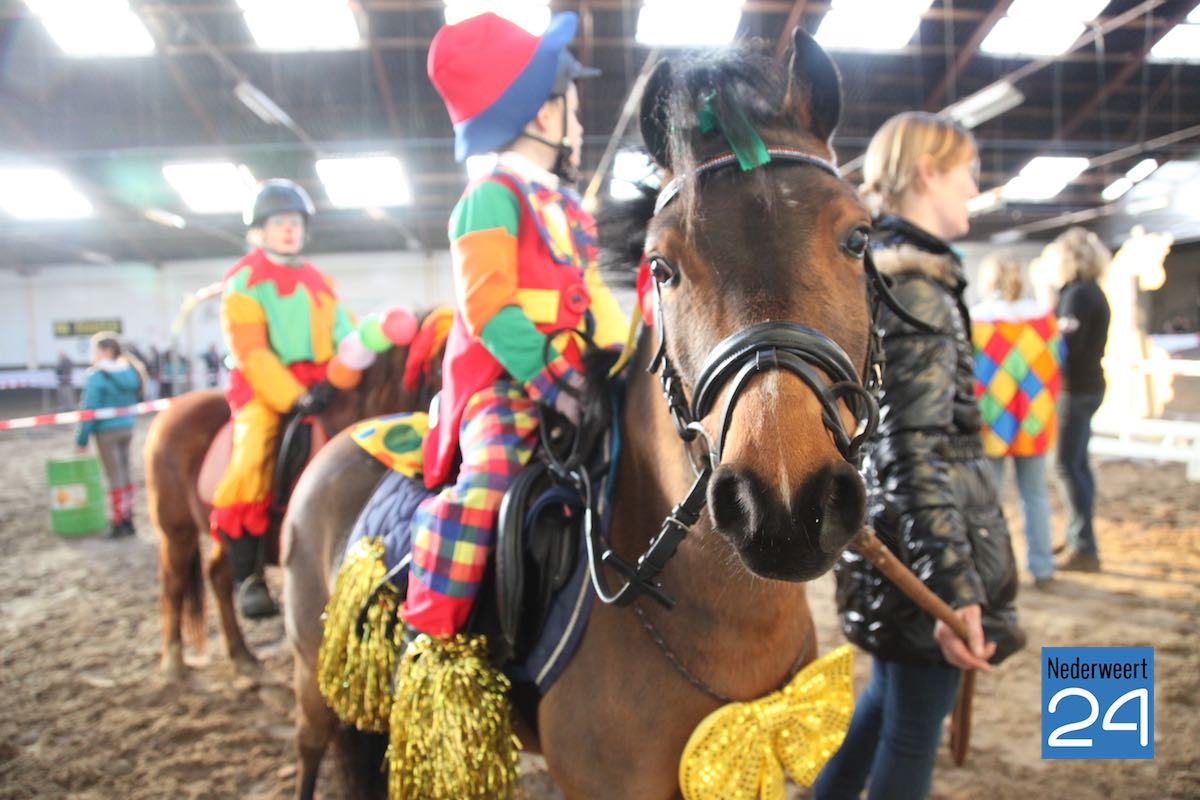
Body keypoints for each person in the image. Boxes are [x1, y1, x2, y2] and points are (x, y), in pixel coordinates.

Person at [814, 112, 1023, 800]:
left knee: (886, 706)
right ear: (928, 173)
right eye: (967, 171)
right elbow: (912, 453)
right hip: (922, 552)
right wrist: (954, 591)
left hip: (898, 542)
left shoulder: (895, 277)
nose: (975, 187)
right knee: (910, 733)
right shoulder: (917, 291)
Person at [406, 10, 625, 642]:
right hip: (504, 382)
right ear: (544, 118)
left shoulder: (571, 209)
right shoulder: (488, 198)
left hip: (575, 374)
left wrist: (622, 359)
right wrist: (559, 382)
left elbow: (593, 297)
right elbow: (490, 310)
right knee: (490, 480)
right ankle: (431, 634)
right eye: (573, 113)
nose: (579, 127)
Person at [211, 179, 355, 618]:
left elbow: (346, 335)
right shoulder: (243, 281)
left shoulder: (320, 281)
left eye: (295, 222)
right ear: (260, 231)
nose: (290, 230)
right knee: (252, 453)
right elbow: (251, 351)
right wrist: (294, 396)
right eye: (279, 223)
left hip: (323, 385)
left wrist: (348, 370)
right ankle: (248, 576)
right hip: (265, 388)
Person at [970, 254, 1062, 588]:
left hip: (991, 419)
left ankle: (992, 571)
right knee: (1034, 494)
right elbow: (1054, 367)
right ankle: (1042, 568)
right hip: (1033, 419)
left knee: (990, 500)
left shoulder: (977, 320)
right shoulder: (1044, 319)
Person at [1036, 227, 1112, 573]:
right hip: (1088, 386)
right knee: (1077, 465)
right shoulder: (1090, 291)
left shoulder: (1078, 295)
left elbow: (1065, 348)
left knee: (1066, 466)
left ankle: (1084, 545)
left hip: (1075, 390)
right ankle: (1078, 536)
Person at [75, 333, 142, 539]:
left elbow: (89, 408)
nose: (92, 354)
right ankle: (128, 519)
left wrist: (82, 439)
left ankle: (119, 522)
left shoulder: (97, 375)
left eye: (95, 349)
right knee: (125, 472)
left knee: (115, 476)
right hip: (127, 427)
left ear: (106, 351)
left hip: (106, 432)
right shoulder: (129, 372)